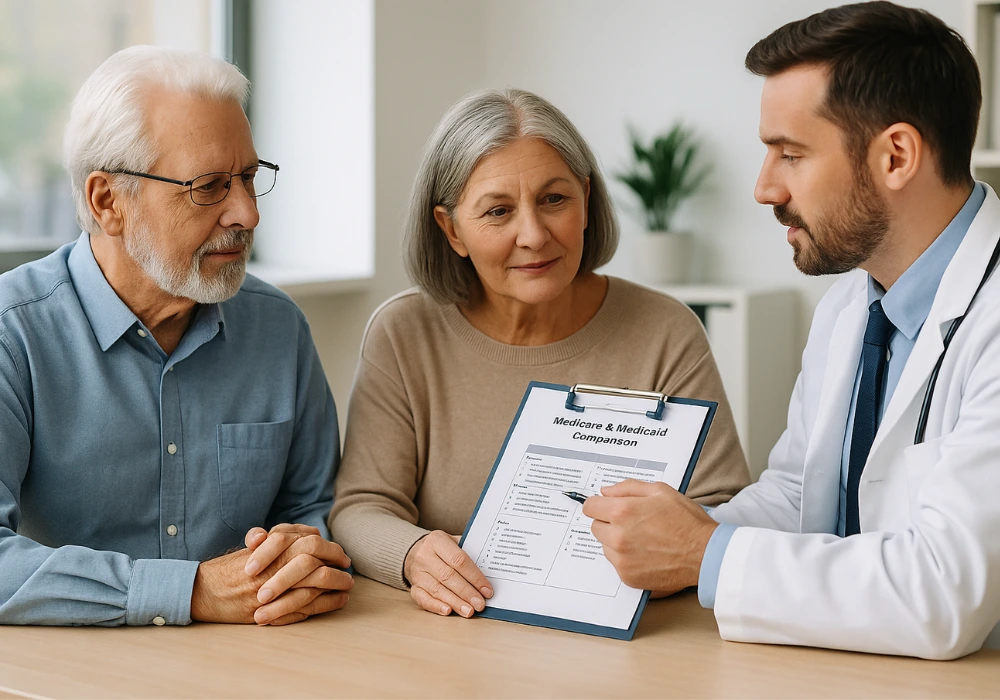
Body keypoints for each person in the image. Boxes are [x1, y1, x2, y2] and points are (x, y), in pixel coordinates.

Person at [585, 1, 1000, 660]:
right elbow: (800, 493)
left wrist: (706, 553)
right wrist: (685, 536)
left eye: (790, 154)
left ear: (896, 155)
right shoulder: (848, 308)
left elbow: (943, 593)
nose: (763, 188)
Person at [330, 88, 750, 619]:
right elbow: (362, 507)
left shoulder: (666, 330)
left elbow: (723, 508)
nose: (533, 235)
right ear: (451, 229)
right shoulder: (403, 332)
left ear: (587, 202)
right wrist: (412, 555)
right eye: (498, 211)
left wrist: (663, 556)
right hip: (453, 635)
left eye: (555, 200)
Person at [0, 46, 352, 627]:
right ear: (107, 201)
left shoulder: (278, 327)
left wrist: (301, 555)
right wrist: (188, 591)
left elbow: (315, 508)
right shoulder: (14, 333)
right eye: (209, 186)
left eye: (248, 178)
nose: (247, 213)